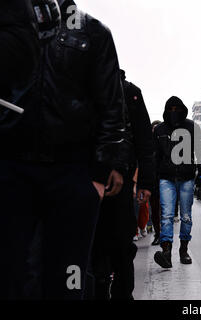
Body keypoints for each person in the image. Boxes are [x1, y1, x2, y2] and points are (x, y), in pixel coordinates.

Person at [0, 0, 129, 299]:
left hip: (72, 172)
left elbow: (112, 108)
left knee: (69, 273)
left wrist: (97, 176)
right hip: (12, 168)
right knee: (13, 271)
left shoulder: (94, 32)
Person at [91, 70, 154, 300]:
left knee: (121, 244)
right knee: (92, 246)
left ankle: (122, 294)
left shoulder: (130, 92)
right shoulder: (82, 84)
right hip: (86, 176)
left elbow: (144, 141)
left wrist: (145, 182)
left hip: (121, 179)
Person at [153, 96, 201, 268]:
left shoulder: (192, 127)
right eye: (171, 109)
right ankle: (166, 251)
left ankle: (183, 249)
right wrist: (152, 178)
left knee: (185, 216)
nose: (174, 112)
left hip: (186, 178)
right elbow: (155, 156)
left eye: (177, 109)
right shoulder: (159, 130)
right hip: (166, 178)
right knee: (167, 215)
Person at [149, 120, 162, 245]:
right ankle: (158, 233)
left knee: (165, 210)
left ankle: (164, 234)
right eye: (153, 128)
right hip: (152, 181)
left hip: (165, 179)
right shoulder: (148, 145)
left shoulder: (166, 143)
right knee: (154, 210)